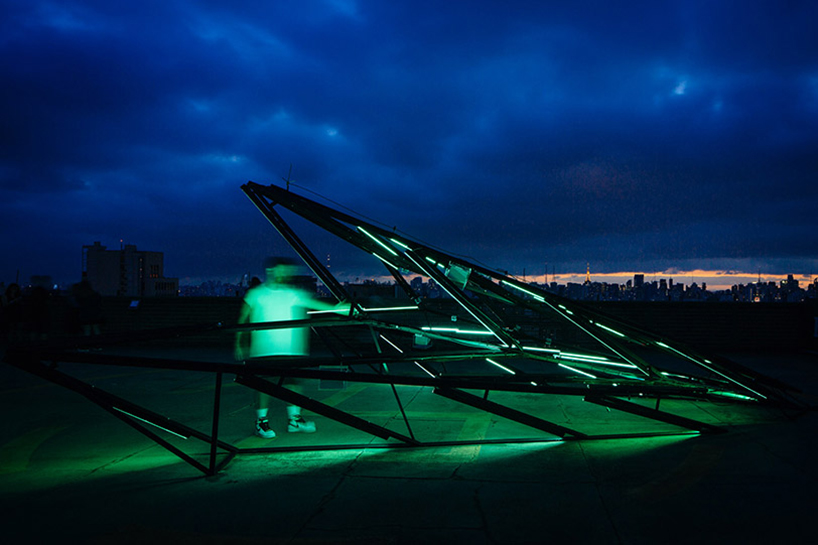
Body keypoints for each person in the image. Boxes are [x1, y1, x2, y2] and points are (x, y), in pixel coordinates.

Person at [235, 257, 349, 439]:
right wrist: (239, 342)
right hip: (264, 350)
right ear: (271, 271)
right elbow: (243, 317)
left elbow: (320, 307)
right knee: (264, 386)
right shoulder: (257, 294)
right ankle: (261, 422)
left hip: (291, 349)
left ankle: (294, 420)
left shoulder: (293, 293)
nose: (284, 274)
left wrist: (340, 309)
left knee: (294, 383)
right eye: (281, 270)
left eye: (286, 271)